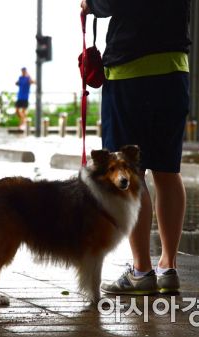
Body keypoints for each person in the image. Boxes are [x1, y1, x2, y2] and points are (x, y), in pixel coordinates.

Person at [81, 0, 191, 295]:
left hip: (130, 73)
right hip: (174, 70)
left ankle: (142, 270)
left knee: (131, 175)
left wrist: (90, 4)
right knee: (168, 170)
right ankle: (169, 268)